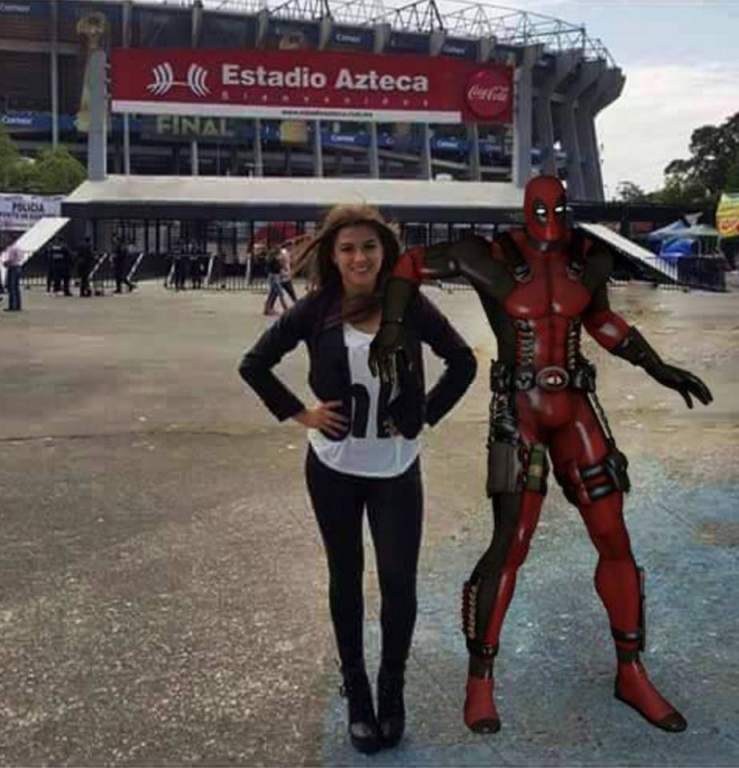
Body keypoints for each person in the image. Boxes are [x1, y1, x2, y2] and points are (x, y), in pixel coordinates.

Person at [369, 175, 713, 735]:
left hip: (575, 407)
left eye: (558, 207)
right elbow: (408, 265)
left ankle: (631, 671)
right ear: (527, 208)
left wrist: (658, 367)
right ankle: (480, 682)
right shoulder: (488, 254)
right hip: (519, 410)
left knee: (614, 537)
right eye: (541, 208)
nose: (551, 217)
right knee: (511, 544)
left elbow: (601, 320)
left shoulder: (588, 256)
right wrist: (391, 326)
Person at [239, 204, 477, 754]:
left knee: (397, 580)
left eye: (368, 246)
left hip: (395, 466)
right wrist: (301, 413)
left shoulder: (408, 303)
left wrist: (423, 413)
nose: (359, 258)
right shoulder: (316, 309)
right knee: (345, 576)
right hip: (333, 467)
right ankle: (357, 688)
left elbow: (462, 361)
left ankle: (392, 686)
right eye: (347, 248)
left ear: (384, 251)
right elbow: (254, 364)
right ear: (333, 254)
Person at [262, 248, 288, 315]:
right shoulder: (274, 260)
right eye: (279, 254)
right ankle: (286, 309)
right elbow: (278, 268)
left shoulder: (271, 260)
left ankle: (266, 309)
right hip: (274, 277)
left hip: (273, 277)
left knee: (272, 294)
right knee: (280, 293)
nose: (280, 255)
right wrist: (282, 265)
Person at [2, 243, 24, 311]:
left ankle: (12, 306)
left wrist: (5, 263)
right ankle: (18, 305)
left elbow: (10, 259)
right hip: (18, 267)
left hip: (12, 267)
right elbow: (21, 257)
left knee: (12, 287)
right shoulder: (18, 247)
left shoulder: (11, 248)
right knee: (16, 287)